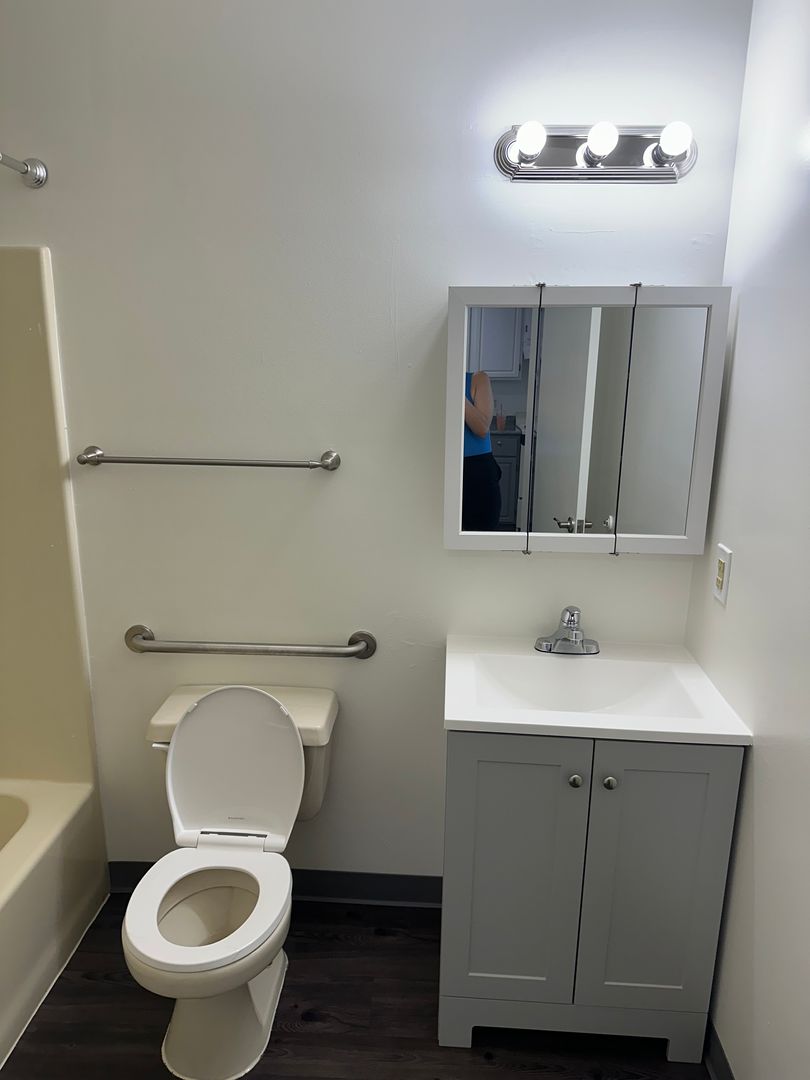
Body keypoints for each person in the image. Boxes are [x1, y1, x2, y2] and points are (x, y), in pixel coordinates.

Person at [462, 370, 502, 530]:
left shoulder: (478, 379)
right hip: (441, 469)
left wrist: (455, 389)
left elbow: (482, 428)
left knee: (482, 534)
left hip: (477, 471)